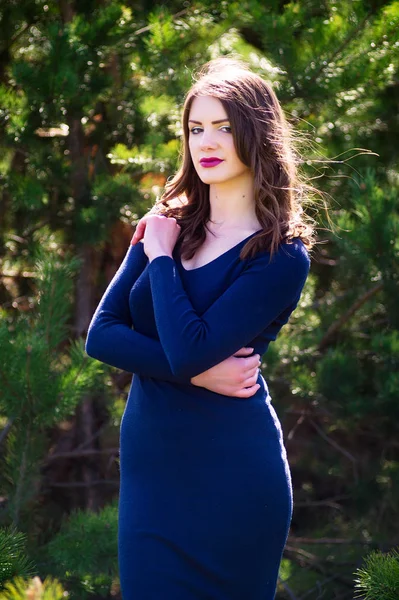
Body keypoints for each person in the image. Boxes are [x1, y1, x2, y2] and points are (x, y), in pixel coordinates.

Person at [86, 57, 314, 600]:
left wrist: (161, 259)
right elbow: (102, 334)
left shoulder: (281, 256)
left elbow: (189, 350)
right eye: (195, 128)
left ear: (257, 134)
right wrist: (201, 375)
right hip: (153, 472)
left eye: (224, 127)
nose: (205, 142)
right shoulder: (169, 221)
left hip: (232, 477)